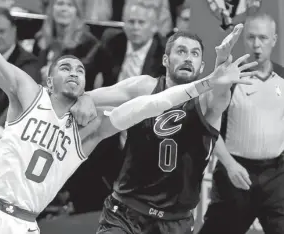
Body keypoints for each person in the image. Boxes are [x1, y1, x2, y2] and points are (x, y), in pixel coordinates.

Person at [0, 0, 256, 234]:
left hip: (25, 223)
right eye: (65, 67)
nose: (74, 71)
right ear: (48, 80)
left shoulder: (88, 131)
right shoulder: (27, 95)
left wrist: (209, 79)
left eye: (80, 69)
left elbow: (150, 104)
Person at [68, 24, 253, 234]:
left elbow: (220, 92)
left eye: (194, 54)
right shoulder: (145, 87)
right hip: (126, 213)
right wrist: (84, 98)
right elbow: (93, 95)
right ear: (165, 60)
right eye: (181, 51)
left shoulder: (206, 102)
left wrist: (221, 64)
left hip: (175, 222)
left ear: (202, 67)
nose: (187, 58)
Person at [199, 14, 284, 234]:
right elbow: (209, 126)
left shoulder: (283, 78)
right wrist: (229, 164)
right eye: (251, 38)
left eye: (263, 38)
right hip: (234, 174)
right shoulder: (231, 79)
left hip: (276, 177)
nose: (257, 44)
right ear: (244, 40)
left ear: (274, 39)